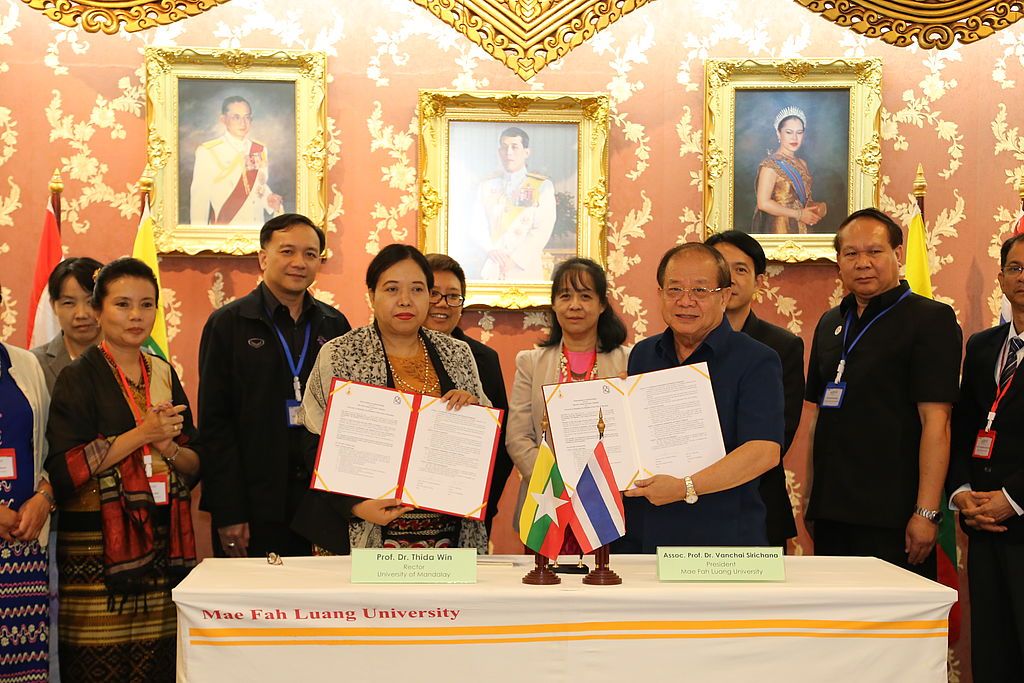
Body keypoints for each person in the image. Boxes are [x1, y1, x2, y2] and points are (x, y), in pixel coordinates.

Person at [46, 258, 200, 682]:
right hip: (97, 545)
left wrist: (168, 449)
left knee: (158, 662)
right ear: (98, 311)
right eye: (123, 305)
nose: (136, 316)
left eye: (147, 305)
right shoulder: (77, 377)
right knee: (99, 663)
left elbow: (195, 462)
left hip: (162, 539)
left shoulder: (163, 372)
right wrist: (142, 433)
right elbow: (64, 470)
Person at [292, 244, 489, 554]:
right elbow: (312, 442)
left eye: (417, 289)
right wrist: (356, 506)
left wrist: (472, 411)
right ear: (372, 295)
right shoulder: (340, 354)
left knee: (443, 606)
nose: (405, 300)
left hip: (446, 535)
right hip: (357, 527)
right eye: (392, 289)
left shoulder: (458, 354)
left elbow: (480, 446)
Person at [805, 208, 962, 579]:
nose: (863, 263)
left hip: (894, 516)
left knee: (892, 632)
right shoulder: (831, 322)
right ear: (838, 262)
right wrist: (813, 500)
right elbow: (818, 420)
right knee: (835, 629)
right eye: (851, 254)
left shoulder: (931, 320)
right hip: (832, 512)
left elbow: (936, 423)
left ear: (897, 254)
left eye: (875, 252)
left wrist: (926, 513)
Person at [198, 213, 351, 558]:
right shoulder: (229, 324)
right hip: (252, 506)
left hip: (320, 504)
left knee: (318, 609)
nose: (299, 263)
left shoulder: (334, 324)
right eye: (287, 251)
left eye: (310, 254)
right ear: (263, 257)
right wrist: (229, 512)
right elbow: (215, 425)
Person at [616, 243, 783, 552]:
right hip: (646, 534)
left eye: (700, 291)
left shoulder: (757, 359)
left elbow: (764, 451)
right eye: (674, 289)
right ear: (660, 294)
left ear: (724, 296)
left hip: (723, 541)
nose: (685, 302)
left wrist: (684, 487)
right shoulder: (644, 354)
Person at [507, 257, 630, 541]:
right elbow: (517, 437)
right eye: (565, 296)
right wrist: (552, 481)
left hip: (607, 502)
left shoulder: (628, 360)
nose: (575, 305)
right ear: (553, 304)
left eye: (585, 296)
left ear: (601, 305)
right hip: (547, 503)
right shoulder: (530, 362)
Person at [949, 233, 1024, 682]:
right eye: (1015, 269)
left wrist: (1013, 498)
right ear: (1001, 279)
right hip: (983, 528)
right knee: (994, 654)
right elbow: (962, 428)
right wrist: (962, 493)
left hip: (1018, 514)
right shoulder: (981, 346)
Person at [706, 230, 803, 549]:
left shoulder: (781, 348)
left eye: (741, 269)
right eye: (720, 267)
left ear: (760, 281)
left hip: (757, 507)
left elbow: (779, 436)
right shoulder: (675, 345)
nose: (730, 279)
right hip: (687, 510)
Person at [423, 253, 513, 534]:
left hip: (464, 511)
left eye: (453, 296)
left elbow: (501, 443)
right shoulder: (390, 352)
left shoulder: (483, 358)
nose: (442, 304)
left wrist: (484, 505)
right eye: (433, 294)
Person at [0, 287, 54, 683]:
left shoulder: (24, 364)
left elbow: (50, 445)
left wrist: (45, 497)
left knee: (22, 667)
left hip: (22, 539)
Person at [456, 126, 556, 281]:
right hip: (491, 265)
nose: (509, 152)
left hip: (524, 269)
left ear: (526, 152)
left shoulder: (542, 186)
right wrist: (491, 250)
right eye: (504, 147)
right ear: (499, 151)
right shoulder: (486, 187)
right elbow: (476, 225)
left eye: (515, 147)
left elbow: (542, 229)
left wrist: (514, 259)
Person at [189, 95, 283, 226]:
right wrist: (199, 238)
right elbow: (200, 199)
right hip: (224, 229)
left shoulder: (259, 149)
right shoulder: (208, 151)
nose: (243, 123)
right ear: (223, 119)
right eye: (236, 117)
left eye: (247, 117)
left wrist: (270, 200)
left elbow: (259, 186)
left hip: (256, 229)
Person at [31, 256, 104, 392]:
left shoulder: (135, 358)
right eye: (69, 303)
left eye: (91, 301)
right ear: (53, 305)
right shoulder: (33, 364)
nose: (81, 314)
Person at [751, 107, 827, 234]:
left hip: (804, 223)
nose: (794, 138)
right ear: (778, 133)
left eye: (799, 132)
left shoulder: (802, 163)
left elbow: (804, 198)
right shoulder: (769, 165)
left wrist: (814, 209)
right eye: (789, 132)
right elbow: (763, 203)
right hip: (780, 226)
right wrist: (798, 214)